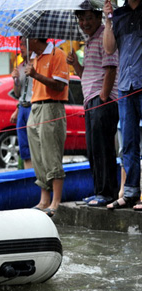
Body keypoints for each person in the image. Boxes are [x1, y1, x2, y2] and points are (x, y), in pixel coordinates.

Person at [67, 9, 119, 207]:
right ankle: (99, 191)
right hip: (90, 101)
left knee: (104, 148)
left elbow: (111, 68)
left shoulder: (106, 35)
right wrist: (76, 65)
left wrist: (104, 98)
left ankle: (108, 193)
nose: (84, 23)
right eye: (81, 19)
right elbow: (86, 75)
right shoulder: (89, 42)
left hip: (101, 100)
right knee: (93, 149)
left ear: (98, 17)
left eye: (89, 18)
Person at [104, 0, 142, 211]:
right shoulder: (118, 15)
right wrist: (108, 20)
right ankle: (130, 193)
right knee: (128, 143)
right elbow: (109, 49)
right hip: (126, 87)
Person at [25, 38, 70, 217]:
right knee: (38, 156)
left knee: (51, 153)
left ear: (34, 38)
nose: (23, 44)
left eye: (25, 39)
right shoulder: (34, 58)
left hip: (51, 107)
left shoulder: (57, 54)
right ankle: (44, 199)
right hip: (35, 107)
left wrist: (36, 75)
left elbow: (60, 85)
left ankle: (56, 201)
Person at [10, 37, 34, 170]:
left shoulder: (36, 63)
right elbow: (18, 93)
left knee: (34, 145)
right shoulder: (20, 67)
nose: (21, 48)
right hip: (22, 108)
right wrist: (16, 80)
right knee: (24, 147)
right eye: (20, 45)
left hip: (32, 107)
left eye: (24, 44)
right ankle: (27, 172)